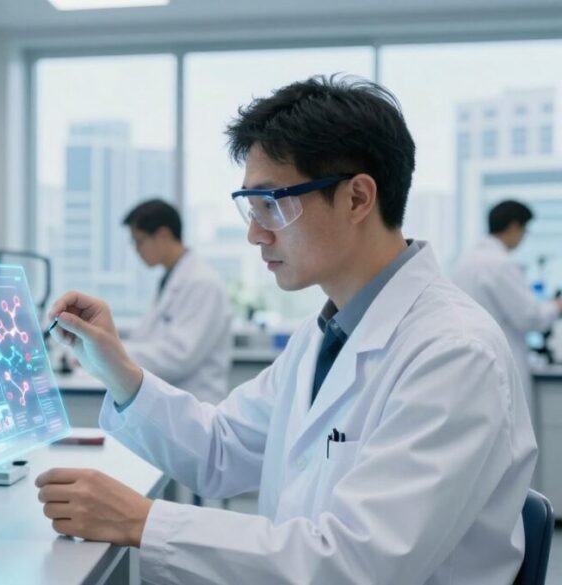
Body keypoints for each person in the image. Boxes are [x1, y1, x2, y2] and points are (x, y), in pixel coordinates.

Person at [36, 76, 536, 584]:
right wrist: (117, 369)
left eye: (271, 202)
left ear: (358, 198)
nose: (255, 232)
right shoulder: (327, 334)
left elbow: (358, 564)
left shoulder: (453, 354)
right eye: (250, 207)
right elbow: (220, 448)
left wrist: (142, 520)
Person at [120, 199, 232, 404]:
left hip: (197, 404)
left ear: (163, 235)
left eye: (139, 241)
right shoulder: (172, 278)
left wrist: (113, 354)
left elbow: (179, 356)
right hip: (172, 403)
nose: (137, 250)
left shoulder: (202, 283)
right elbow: (149, 337)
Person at [453, 200, 562, 407]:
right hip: (502, 360)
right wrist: (556, 306)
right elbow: (529, 317)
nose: (523, 237)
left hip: (471, 364)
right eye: (524, 230)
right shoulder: (501, 264)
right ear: (514, 227)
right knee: (510, 430)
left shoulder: (466, 261)